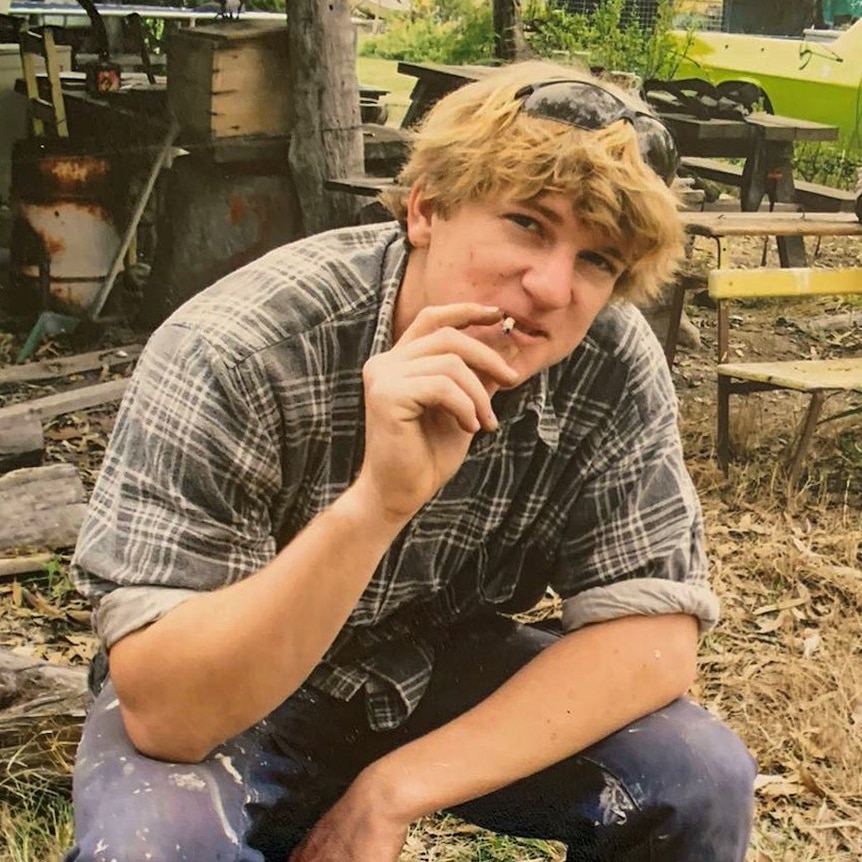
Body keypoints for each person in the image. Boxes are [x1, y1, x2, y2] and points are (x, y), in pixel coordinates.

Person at [65, 60, 757, 862]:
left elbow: (653, 640)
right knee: (161, 846)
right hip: (232, 673)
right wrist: (375, 506)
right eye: (528, 223)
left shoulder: (606, 357)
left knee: (698, 776)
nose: (550, 286)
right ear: (426, 208)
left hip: (436, 661)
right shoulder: (238, 347)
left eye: (598, 260)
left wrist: (394, 791)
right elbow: (170, 713)